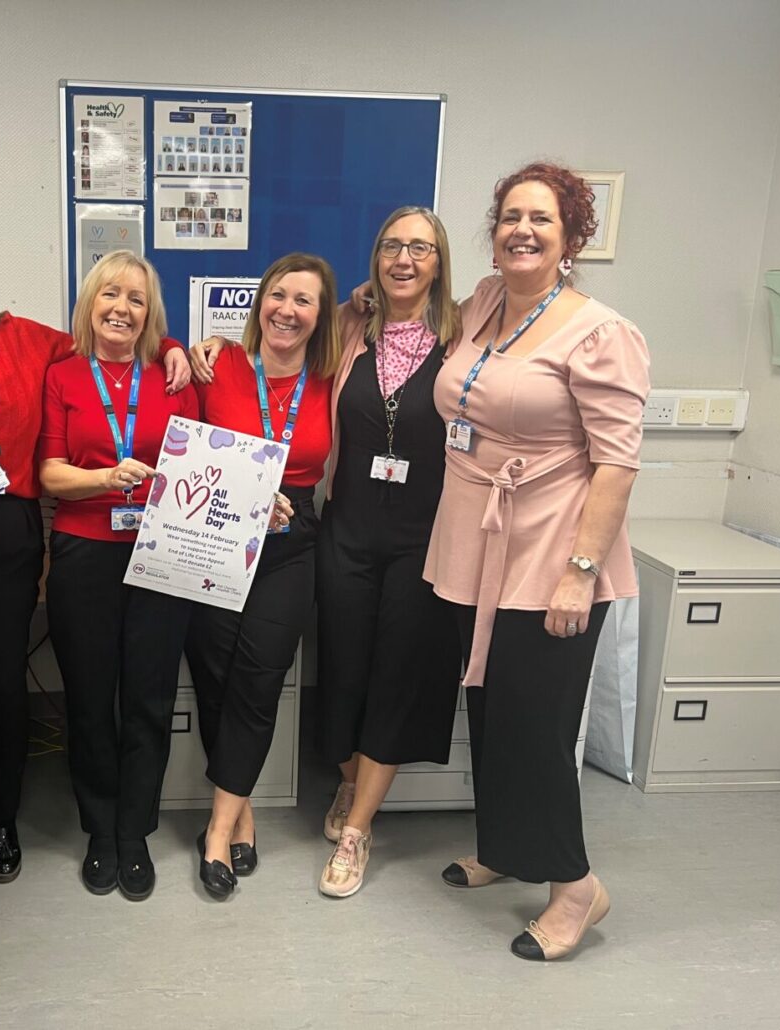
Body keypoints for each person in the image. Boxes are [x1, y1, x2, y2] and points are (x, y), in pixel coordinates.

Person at [0, 219, 190, 892]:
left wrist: (174, 344)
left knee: (3, 681)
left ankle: (3, 822)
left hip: (9, 524)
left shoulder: (31, 341)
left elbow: (113, 335)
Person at [189, 208, 465, 899]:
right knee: (325, 669)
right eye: (392, 246)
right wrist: (187, 345)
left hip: (389, 536)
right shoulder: (347, 338)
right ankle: (253, 804)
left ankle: (353, 828)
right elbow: (192, 440)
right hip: (314, 533)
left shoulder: (463, 337)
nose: (404, 258)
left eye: (420, 248)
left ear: (439, 262)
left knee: (321, 674)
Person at [425, 163, 649, 960]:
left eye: (541, 220)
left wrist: (579, 572)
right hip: (474, 544)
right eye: (510, 216)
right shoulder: (485, 302)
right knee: (487, 712)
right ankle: (506, 846)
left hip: (553, 551)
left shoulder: (599, 333)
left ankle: (573, 889)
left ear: (571, 238)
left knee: (535, 729)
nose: (521, 230)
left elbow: (616, 464)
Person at [39, 250, 199, 901]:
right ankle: (98, 829)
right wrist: (106, 479)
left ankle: (134, 831)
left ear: (148, 313)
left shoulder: (173, 376)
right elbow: (49, 472)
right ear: (90, 304)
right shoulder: (63, 377)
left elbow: (208, 463)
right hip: (83, 553)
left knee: (148, 699)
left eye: (135, 299)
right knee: (89, 699)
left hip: (161, 552)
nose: (121, 309)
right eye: (110, 294)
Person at [184, 253, 341, 898]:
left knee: (261, 675)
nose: (287, 310)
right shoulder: (215, 365)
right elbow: (184, 444)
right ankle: (240, 809)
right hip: (216, 523)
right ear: (259, 304)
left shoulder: (334, 376)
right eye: (278, 295)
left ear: (320, 316)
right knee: (216, 674)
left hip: (294, 535)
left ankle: (216, 832)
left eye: (304, 300)